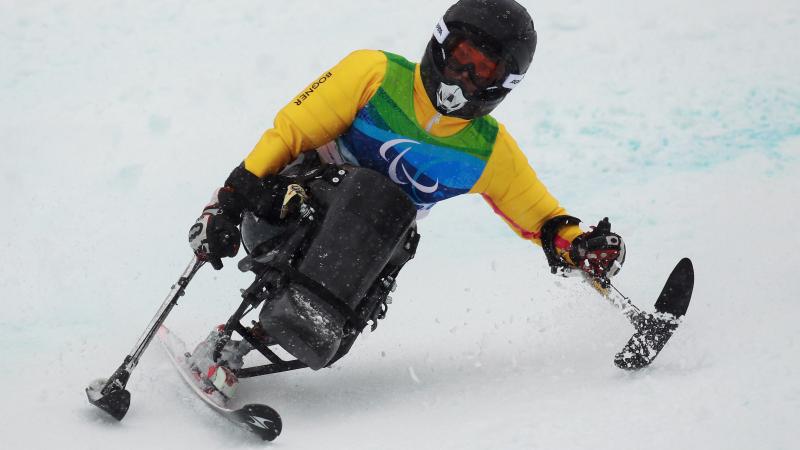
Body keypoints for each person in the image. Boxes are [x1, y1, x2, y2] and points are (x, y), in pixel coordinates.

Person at [187, 0, 625, 399]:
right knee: (376, 195)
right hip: (281, 212)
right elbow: (288, 134)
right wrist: (226, 203)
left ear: (502, 83)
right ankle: (256, 324)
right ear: (440, 45)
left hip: (351, 258)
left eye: (481, 72)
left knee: (388, 242)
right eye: (459, 59)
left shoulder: (486, 151)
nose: (462, 78)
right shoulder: (374, 74)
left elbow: (543, 219)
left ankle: (246, 342)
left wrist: (581, 245)